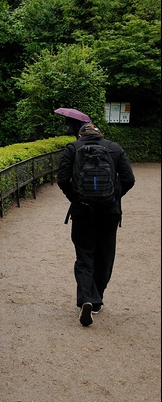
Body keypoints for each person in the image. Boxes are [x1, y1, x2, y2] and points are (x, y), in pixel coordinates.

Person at [56, 123, 135, 326]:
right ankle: (96, 300)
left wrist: (76, 198)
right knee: (105, 256)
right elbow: (129, 179)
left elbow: (62, 179)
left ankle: (86, 299)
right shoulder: (114, 148)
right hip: (109, 212)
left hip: (82, 212)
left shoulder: (72, 148)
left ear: (80, 135)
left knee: (84, 256)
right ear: (100, 134)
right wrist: (113, 197)